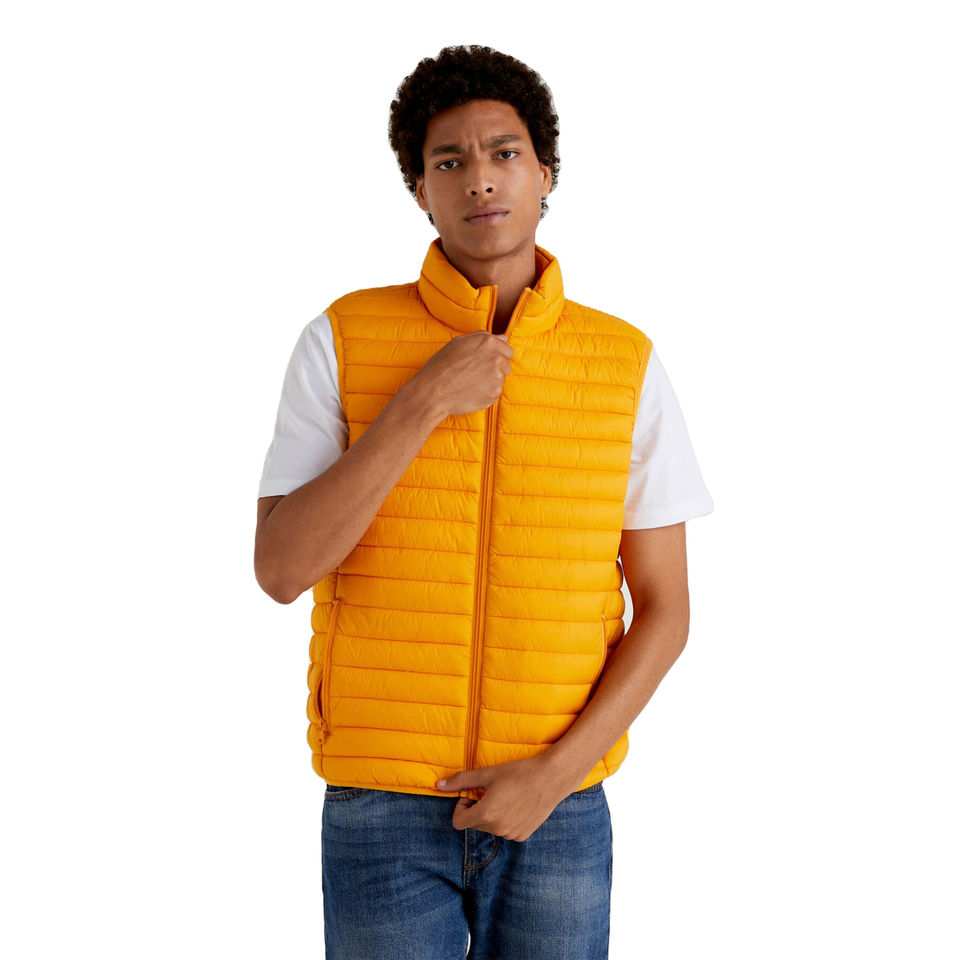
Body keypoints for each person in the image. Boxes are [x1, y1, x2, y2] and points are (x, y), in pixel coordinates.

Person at [254, 44, 713, 960]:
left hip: (557, 803)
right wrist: (421, 401)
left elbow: (666, 610)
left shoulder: (624, 363)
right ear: (419, 190)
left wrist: (554, 776)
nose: (480, 180)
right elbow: (281, 568)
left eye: (505, 153)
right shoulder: (341, 338)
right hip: (382, 803)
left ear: (546, 173)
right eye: (449, 161)